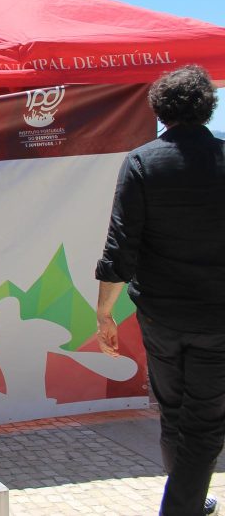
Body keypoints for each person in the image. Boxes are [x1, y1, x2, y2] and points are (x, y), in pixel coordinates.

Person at [95, 65, 225, 516]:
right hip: (217, 318)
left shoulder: (141, 162)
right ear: (208, 106)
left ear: (160, 109)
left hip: (160, 316)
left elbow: (120, 247)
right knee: (204, 423)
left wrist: (104, 313)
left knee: (172, 410)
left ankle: (189, 500)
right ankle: (182, 506)